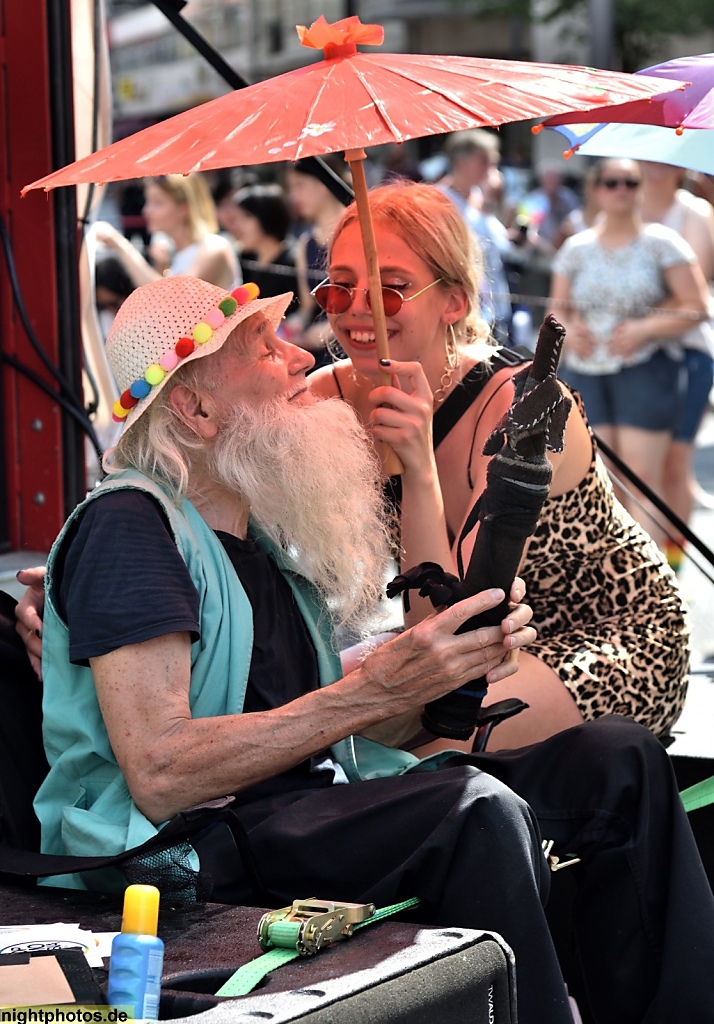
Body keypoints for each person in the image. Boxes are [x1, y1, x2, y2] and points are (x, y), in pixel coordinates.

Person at [17, 274, 714, 1024]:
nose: (298, 359)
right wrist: (378, 688)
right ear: (195, 407)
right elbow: (162, 771)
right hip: (188, 846)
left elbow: (320, 732)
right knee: (470, 811)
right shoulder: (131, 525)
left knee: (617, 761)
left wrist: (440, 673)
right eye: (263, 347)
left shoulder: (265, 547)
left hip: (297, 809)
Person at [308, 179, 691, 749]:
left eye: (391, 290)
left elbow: (446, 624)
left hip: (610, 637)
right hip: (482, 655)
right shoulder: (331, 396)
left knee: (428, 758)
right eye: (339, 289)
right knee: (315, 730)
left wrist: (417, 463)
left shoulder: (524, 405)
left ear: (454, 301)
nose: (358, 310)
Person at [550, 158, 710, 548]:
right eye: (611, 182)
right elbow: (555, 309)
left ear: (640, 189)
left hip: (646, 367)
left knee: (641, 475)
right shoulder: (577, 246)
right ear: (596, 189)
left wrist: (645, 329)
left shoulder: (663, 242)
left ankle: (656, 580)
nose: (621, 189)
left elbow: (696, 305)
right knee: (602, 477)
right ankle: (618, 577)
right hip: (586, 369)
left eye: (630, 182)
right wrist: (569, 332)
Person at [639, 160, 714, 570]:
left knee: (674, 462)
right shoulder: (622, 204)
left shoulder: (695, 213)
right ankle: (645, 562)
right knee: (636, 467)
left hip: (687, 354)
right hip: (632, 358)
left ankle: (675, 563)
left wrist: (636, 316)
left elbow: (695, 287)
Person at [95, 173, 240, 291]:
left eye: (158, 202)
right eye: (148, 202)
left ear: (184, 208)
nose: (146, 210)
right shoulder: (175, 253)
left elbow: (170, 299)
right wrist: (161, 269)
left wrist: (120, 245)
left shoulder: (214, 247)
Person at [439, 130, 512, 345]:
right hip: (466, 310)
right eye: (484, 161)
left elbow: (500, 245)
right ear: (461, 162)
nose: (490, 169)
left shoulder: (478, 197)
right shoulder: (440, 200)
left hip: (495, 304)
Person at [286, 156, 352, 367]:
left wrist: (331, 329)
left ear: (323, 184)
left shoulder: (354, 230)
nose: (294, 195)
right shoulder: (305, 244)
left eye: (300, 185)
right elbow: (307, 307)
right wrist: (291, 326)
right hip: (318, 349)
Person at [230, 183, 300, 316]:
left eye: (246, 216)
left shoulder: (293, 260)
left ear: (266, 216)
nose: (238, 225)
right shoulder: (245, 259)